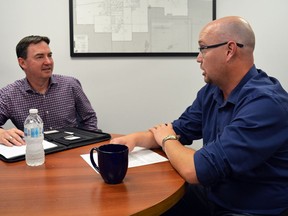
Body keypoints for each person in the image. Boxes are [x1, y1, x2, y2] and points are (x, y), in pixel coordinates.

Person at [110, 16, 288, 215]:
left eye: (203, 48)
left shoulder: (266, 104)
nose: (198, 57)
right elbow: (179, 129)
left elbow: (195, 170)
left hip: (250, 210)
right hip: (215, 196)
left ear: (229, 50)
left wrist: (166, 138)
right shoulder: (213, 91)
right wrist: (133, 139)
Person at [0, 35, 98, 147]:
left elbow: (89, 118)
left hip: (71, 150)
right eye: (40, 57)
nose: (48, 62)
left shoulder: (70, 84)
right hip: (35, 153)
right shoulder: (8, 94)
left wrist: (88, 144)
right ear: (22, 63)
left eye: (49, 55)